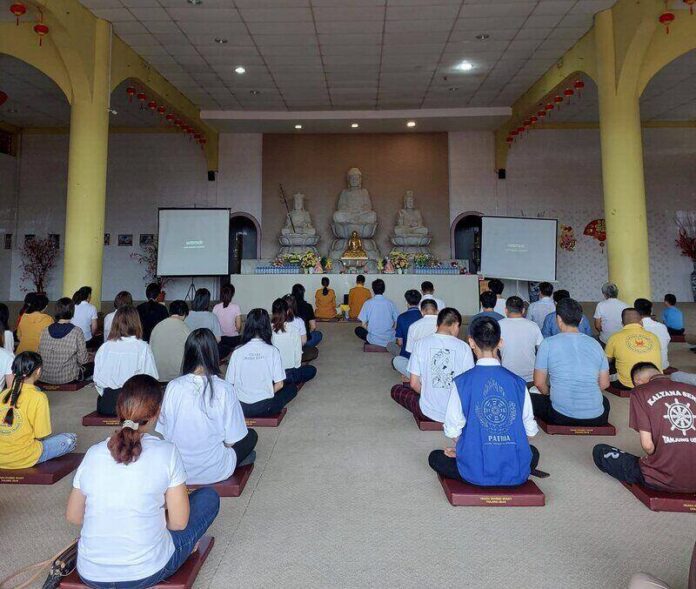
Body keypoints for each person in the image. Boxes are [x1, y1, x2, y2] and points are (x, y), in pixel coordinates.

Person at [66, 374, 220, 588]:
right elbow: (178, 523)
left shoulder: (93, 454)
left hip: (91, 573)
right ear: (157, 412)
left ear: (119, 410)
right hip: (147, 571)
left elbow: (74, 516)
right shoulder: (167, 451)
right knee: (208, 497)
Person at [427, 317, 540, 487]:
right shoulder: (518, 382)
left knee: (435, 457)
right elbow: (530, 432)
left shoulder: (461, 382)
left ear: (471, 342)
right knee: (533, 453)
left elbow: (452, 431)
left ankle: (469, 463)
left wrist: (463, 451)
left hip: (475, 469)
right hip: (514, 471)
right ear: (500, 342)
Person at [157, 329, 256, 485]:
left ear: (188, 353)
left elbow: (165, 434)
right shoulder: (224, 389)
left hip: (178, 470)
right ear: (214, 354)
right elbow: (231, 441)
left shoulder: (173, 387)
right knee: (251, 436)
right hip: (215, 470)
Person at [593, 362, 696, 493]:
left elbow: (647, 445)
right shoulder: (692, 389)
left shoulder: (639, 392)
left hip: (662, 479)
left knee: (600, 451)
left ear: (638, 381)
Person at [532, 298, 611, 426]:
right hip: (597, 417)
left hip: (560, 416)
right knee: (605, 401)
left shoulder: (547, 343)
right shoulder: (596, 344)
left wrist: (549, 393)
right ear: (581, 320)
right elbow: (604, 384)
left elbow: (539, 383)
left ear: (558, 319)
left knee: (531, 397)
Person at [392, 308, 474, 423]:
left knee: (396, 390)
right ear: (455, 325)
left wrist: (428, 393)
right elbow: (469, 385)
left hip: (427, 413)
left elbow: (414, 384)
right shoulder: (464, 347)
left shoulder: (420, 344)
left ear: (437, 324)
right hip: (456, 413)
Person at [0, 352, 77, 469]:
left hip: (1, 458)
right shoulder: (39, 397)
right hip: (24, 457)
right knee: (71, 438)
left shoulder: (3, 394)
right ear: (38, 371)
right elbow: (41, 435)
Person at [225, 308, 298, 417]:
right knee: (291, 388)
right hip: (265, 407)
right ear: (267, 327)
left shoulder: (237, 351)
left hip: (241, 408)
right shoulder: (273, 351)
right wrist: (266, 392)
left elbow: (229, 383)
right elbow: (280, 384)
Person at [93, 305, 159, 416]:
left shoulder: (105, 347)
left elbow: (97, 380)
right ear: (137, 323)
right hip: (133, 405)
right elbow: (152, 378)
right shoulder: (142, 347)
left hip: (107, 405)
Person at [38, 297, 93, 385]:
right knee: (92, 365)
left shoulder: (45, 330)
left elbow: (40, 354)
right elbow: (83, 360)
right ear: (72, 312)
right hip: (67, 378)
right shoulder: (76, 331)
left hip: (44, 377)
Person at [605, 308, 662, 390]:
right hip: (655, 382)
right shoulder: (653, 336)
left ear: (622, 324)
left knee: (608, 362)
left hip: (626, 384)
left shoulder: (614, 337)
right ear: (641, 322)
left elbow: (606, 361)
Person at [271, 299, 317, 385]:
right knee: (312, 370)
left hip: (273, 374)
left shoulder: (267, 329)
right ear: (288, 311)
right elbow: (297, 355)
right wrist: (297, 370)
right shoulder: (294, 330)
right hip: (289, 373)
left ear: (273, 312)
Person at [499, 296, 543, 384]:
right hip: (531, 377)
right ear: (523, 310)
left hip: (506, 375)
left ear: (506, 310)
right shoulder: (533, 325)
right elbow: (542, 349)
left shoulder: (498, 325)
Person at [150, 300, 191, 383]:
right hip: (178, 377)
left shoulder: (157, 327)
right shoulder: (185, 328)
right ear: (184, 313)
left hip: (157, 374)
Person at [185, 288, 228, 359]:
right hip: (207, 351)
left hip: (190, 349)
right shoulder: (212, 317)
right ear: (207, 302)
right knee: (226, 348)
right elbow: (218, 339)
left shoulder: (187, 315)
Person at [355, 279, 399, 347]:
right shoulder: (390, 303)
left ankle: (374, 339)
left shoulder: (367, 303)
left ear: (373, 290)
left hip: (373, 339)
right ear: (383, 289)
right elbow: (397, 321)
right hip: (390, 339)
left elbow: (363, 324)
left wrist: (372, 331)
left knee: (358, 330)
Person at [389, 290, 422, 377]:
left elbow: (400, 343)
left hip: (407, 356)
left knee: (390, 346)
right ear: (419, 302)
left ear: (406, 302)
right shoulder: (424, 317)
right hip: (423, 356)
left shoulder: (401, 317)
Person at [635, 298, 670, 370]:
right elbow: (667, 341)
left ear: (636, 312)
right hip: (662, 365)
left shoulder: (635, 327)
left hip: (644, 368)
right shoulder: (662, 326)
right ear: (651, 312)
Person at [292, 283, 323, 348]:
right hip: (304, 341)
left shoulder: (287, 306)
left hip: (290, 341)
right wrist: (306, 334)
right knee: (318, 334)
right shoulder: (308, 306)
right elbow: (313, 327)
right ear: (303, 294)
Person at [213, 284, 242, 349]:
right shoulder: (236, 307)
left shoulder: (216, 307)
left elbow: (214, 326)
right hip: (233, 339)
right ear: (232, 294)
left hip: (221, 340)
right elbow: (238, 327)